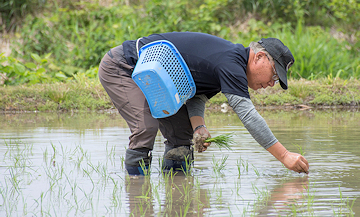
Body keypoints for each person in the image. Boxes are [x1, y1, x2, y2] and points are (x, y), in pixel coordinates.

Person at [98, 32, 310, 175]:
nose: (272, 83)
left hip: (158, 80)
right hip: (123, 66)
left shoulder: (228, 65)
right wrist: (284, 155)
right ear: (259, 57)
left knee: (181, 137)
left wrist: (199, 126)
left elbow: (196, 96)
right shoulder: (230, 63)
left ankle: (178, 198)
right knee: (146, 127)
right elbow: (248, 116)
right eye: (274, 74)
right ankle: (137, 193)